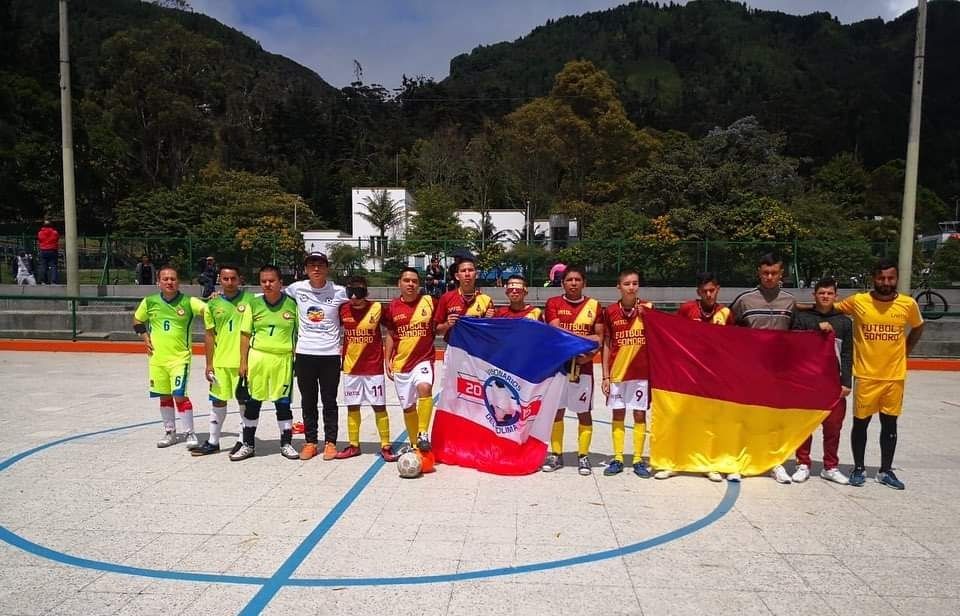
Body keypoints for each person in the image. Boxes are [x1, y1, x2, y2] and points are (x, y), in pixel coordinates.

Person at [834, 259, 924, 490]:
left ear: (896, 279)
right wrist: (797, 307)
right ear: (873, 278)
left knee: (890, 424)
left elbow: (918, 326)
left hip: (894, 377)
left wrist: (906, 350)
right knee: (861, 424)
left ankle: (885, 471)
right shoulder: (859, 301)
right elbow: (827, 309)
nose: (886, 282)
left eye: (890, 278)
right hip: (865, 375)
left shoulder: (907, 304)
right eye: (881, 278)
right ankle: (859, 468)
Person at [729, 253, 797, 484]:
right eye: (765, 273)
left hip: (778, 372)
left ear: (781, 274)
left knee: (774, 421)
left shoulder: (789, 301)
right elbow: (727, 331)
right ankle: (738, 461)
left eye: (774, 273)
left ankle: (775, 463)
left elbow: (798, 334)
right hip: (749, 370)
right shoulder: (744, 300)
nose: (769, 277)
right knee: (744, 418)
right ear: (758, 272)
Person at [284, 252, 348, 461]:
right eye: (312, 265)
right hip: (305, 354)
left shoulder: (338, 291)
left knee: (329, 400)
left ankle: (330, 442)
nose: (316, 269)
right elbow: (272, 292)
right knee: (308, 400)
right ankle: (310, 441)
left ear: (327, 268)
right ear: (306, 269)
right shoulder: (297, 288)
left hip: (329, 354)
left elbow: (360, 298)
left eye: (320, 265)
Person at [232, 265, 300, 461]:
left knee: (283, 403)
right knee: (253, 402)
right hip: (258, 358)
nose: (267, 284)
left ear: (281, 283)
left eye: (271, 281)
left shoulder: (292, 305)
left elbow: (299, 334)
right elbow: (245, 335)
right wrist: (243, 362)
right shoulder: (253, 305)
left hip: (283, 359)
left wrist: (297, 360)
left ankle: (286, 443)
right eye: (263, 281)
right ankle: (248, 444)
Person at [132, 266, 205, 448]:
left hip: (180, 358)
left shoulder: (189, 302)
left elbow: (210, 311)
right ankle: (170, 432)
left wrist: (215, 300)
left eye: (173, 278)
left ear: (178, 281)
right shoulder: (149, 302)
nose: (169, 282)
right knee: (164, 396)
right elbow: (137, 319)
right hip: (157, 359)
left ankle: (189, 433)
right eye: (165, 279)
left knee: (179, 395)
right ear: (158, 282)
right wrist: (144, 337)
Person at [672, 271, 735, 481]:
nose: (709, 294)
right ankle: (676, 461)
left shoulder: (726, 313)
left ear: (718, 290)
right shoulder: (687, 309)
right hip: (689, 374)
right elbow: (672, 334)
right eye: (705, 291)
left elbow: (735, 344)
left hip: (714, 376)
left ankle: (710, 463)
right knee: (682, 418)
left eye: (712, 290)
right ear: (698, 292)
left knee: (711, 421)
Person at [541, 265, 603, 475]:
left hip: (583, 368)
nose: (573, 283)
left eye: (577, 280)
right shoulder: (554, 303)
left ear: (584, 283)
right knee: (556, 412)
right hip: (558, 367)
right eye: (569, 280)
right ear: (562, 283)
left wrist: (589, 353)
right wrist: (586, 340)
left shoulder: (594, 306)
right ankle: (556, 454)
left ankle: (583, 455)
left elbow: (599, 338)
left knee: (584, 413)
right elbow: (555, 329)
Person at [791, 277, 852, 484]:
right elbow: (794, 344)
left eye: (829, 293)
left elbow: (847, 353)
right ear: (814, 295)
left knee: (833, 427)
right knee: (804, 425)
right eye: (821, 293)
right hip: (807, 380)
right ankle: (803, 463)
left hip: (833, 382)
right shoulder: (802, 318)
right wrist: (818, 327)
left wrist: (846, 381)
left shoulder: (844, 322)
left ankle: (830, 466)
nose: (825, 296)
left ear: (836, 296)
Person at [193, 265, 255, 456]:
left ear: (240, 279)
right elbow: (210, 335)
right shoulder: (212, 304)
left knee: (243, 401)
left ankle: (242, 440)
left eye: (233, 278)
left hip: (244, 362)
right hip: (220, 362)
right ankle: (213, 441)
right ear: (219, 279)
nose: (229, 282)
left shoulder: (251, 301)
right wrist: (209, 364)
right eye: (225, 279)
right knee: (218, 401)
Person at [335, 275, 398, 462]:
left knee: (379, 407)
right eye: (350, 291)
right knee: (352, 407)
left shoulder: (377, 308)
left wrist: (389, 357)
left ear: (366, 291)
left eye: (359, 291)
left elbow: (392, 330)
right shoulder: (342, 309)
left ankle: (385, 445)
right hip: (351, 368)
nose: (354, 295)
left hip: (373, 368)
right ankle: (354, 445)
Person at [600, 269, 654, 478]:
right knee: (618, 413)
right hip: (617, 373)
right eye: (627, 283)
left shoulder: (649, 308)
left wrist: (647, 318)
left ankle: (639, 459)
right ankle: (618, 457)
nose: (631, 287)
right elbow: (606, 343)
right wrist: (605, 375)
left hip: (641, 373)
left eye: (635, 283)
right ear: (619, 287)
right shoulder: (611, 311)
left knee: (639, 414)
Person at [382, 267, 437, 453]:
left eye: (414, 281)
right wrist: (387, 358)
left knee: (425, 387)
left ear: (419, 284)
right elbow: (390, 334)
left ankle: (423, 433)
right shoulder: (392, 307)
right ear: (399, 284)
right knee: (408, 407)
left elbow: (442, 322)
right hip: (401, 364)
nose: (410, 284)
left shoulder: (429, 302)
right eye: (406, 280)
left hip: (423, 360)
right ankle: (415, 445)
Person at [434, 256, 495, 343]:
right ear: (457, 276)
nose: (467, 274)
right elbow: (437, 331)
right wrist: (447, 324)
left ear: (476, 274)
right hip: (455, 350)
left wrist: (489, 321)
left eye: (470, 270)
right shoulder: (446, 298)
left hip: (477, 351)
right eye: (463, 271)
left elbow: (491, 333)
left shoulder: (486, 300)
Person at [36, 220, 59, 284]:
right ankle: (53, 281)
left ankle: (42, 280)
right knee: (53, 266)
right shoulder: (55, 232)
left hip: (43, 250)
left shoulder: (40, 233)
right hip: (52, 250)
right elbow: (56, 239)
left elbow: (40, 240)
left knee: (43, 266)